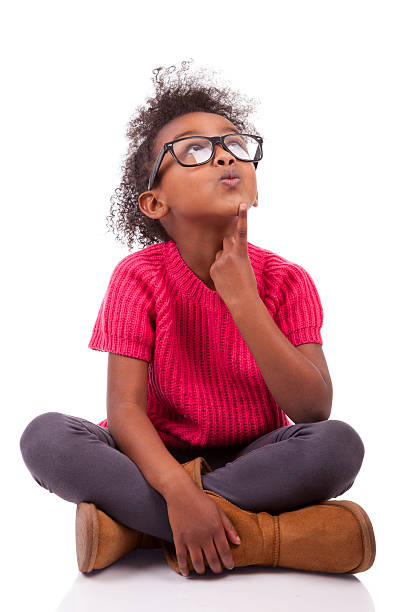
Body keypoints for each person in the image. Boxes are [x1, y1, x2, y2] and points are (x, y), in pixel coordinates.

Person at [19, 59, 371, 578]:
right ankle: (253, 536)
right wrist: (179, 491)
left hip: (254, 459)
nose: (223, 155)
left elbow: (313, 409)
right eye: (194, 149)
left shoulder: (288, 281)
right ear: (155, 202)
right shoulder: (138, 277)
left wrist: (244, 299)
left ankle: (135, 528)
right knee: (45, 437)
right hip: (151, 458)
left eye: (233, 144)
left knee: (339, 445)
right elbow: (123, 410)